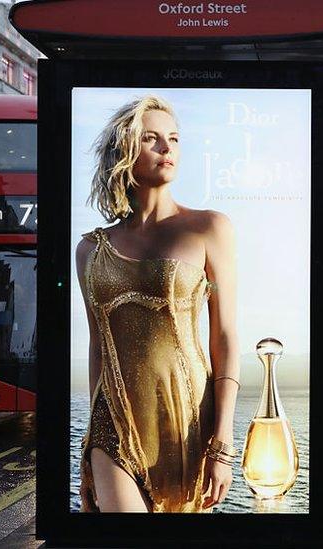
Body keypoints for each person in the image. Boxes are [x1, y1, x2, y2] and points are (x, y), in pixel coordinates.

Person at [77, 95, 239, 512]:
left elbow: (224, 338)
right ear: (124, 150)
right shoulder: (90, 250)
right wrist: (88, 450)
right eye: (151, 138)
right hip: (112, 422)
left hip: (185, 420)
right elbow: (99, 347)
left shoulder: (209, 228)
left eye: (173, 138)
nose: (167, 148)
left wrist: (222, 442)